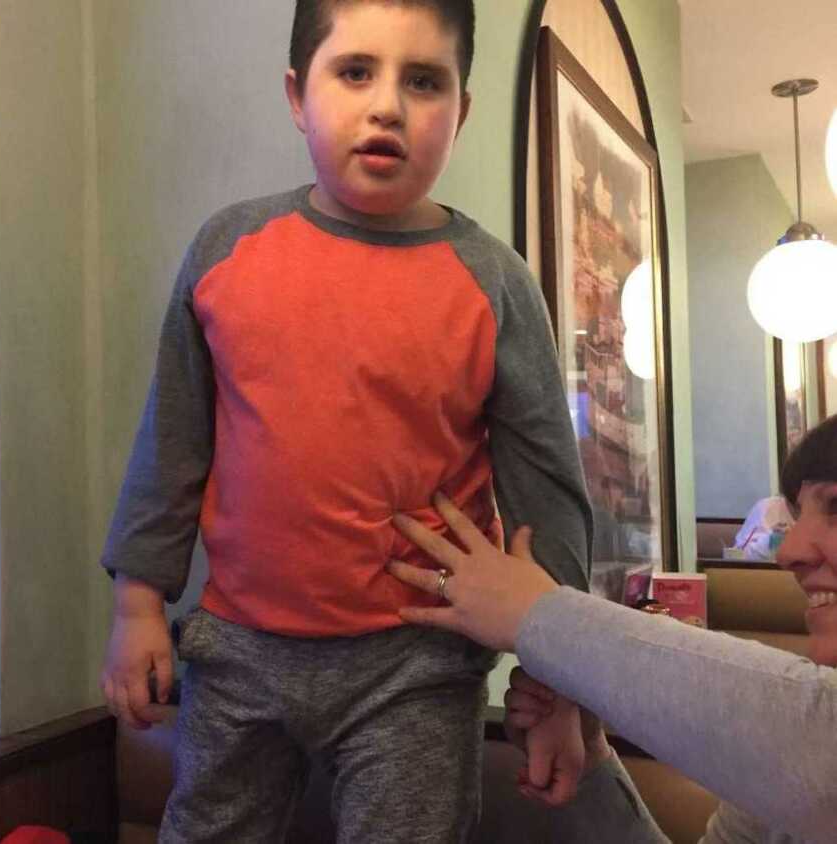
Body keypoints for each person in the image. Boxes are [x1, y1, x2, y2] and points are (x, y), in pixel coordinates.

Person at [99, 2, 594, 841]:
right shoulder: (227, 250)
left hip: (417, 666)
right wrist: (137, 605)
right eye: (355, 72)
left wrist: (560, 684)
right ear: (299, 95)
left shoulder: (497, 284)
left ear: (462, 112)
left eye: (425, 81)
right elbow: (173, 443)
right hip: (237, 652)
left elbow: (547, 497)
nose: (388, 106)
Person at [389, 414, 837, 843]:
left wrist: (536, 616)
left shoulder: (805, 757)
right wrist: (589, 762)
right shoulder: (772, 781)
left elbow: (823, 744)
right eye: (798, 515)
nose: (790, 550)